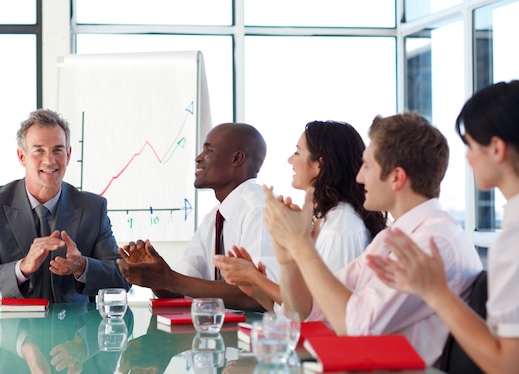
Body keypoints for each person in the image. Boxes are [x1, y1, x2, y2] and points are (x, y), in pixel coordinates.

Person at [262, 112, 483, 366]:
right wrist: (288, 258)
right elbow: (308, 311)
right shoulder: (394, 237)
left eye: (367, 166)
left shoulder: (434, 242)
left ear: (396, 178)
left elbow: (355, 328)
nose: (359, 177)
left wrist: (301, 246)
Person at [367, 80, 519, 372]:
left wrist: (436, 292)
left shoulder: (512, 243)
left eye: (471, 145)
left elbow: (507, 365)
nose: (468, 158)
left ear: (497, 148)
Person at [214, 120, 387, 311]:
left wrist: (256, 278)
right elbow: (292, 310)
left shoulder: (341, 224)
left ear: (319, 164)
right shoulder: (321, 219)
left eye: (297, 152)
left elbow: (324, 309)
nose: (290, 160)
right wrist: (255, 288)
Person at [0, 109, 129, 303]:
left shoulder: (93, 207)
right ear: (21, 157)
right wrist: (22, 267)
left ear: (68, 155)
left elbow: (122, 279)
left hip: (76, 330)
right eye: (39, 150)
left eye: (58, 150)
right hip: (13, 330)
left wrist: (82, 266)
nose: (49, 160)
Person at [117, 123, 277, 311]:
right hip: (216, 333)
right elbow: (181, 289)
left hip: (258, 335)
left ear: (236, 158)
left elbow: (259, 297)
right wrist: (154, 275)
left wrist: (170, 279)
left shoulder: (258, 210)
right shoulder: (215, 217)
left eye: (208, 150)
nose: (198, 158)